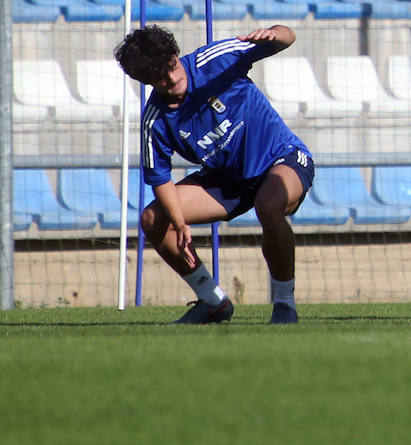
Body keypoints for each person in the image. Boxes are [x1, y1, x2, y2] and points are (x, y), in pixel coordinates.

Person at [114, 23, 314, 324]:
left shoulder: (214, 60)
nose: (171, 78)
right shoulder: (154, 122)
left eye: (171, 66)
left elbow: (288, 37)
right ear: (145, 80)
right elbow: (160, 178)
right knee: (153, 219)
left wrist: (273, 32)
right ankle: (213, 301)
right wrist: (178, 223)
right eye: (159, 77)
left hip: (280, 157)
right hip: (227, 181)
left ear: (175, 53)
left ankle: (284, 304)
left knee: (269, 205)